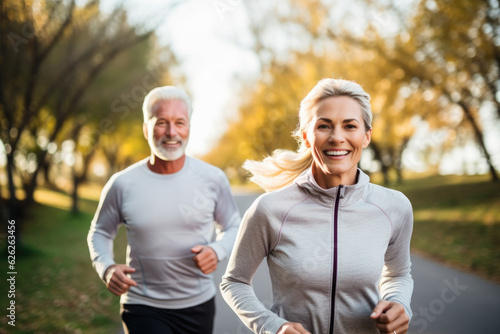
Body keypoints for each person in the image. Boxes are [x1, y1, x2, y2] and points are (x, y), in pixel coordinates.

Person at [220, 78, 413, 334]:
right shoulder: (270, 209)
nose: (337, 137)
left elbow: (399, 275)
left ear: (366, 137)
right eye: (324, 126)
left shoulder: (394, 207)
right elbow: (234, 281)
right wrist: (272, 327)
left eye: (350, 126)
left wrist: (399, 303)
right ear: (307, 137)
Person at [87, 86, 241, 334]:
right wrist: (106, 267)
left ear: (189, 127)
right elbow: (100, 232)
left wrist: (218, 249)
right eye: (162, 123)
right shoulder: (123, 183)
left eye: (180, 122)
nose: (171, 132)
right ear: (146, 129)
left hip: (199, 306)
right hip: (142, 306)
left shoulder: (213, 178)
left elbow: (234, 225)